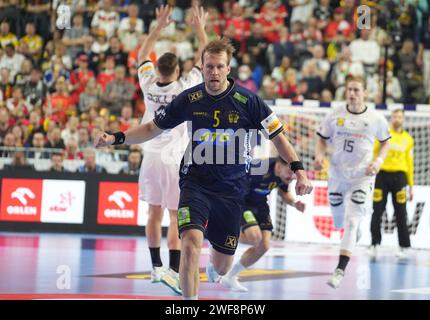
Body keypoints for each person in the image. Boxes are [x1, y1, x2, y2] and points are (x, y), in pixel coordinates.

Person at [94, 36, 313, 299]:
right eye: (209, 66)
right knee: (190, 243)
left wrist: (299, 170)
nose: (214, 72)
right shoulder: (190, 98)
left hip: (231, 190)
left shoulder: (248, 102)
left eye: (220, 66)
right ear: (202, 66)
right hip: (194, 184)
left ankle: (215, 263)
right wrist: (115, 137)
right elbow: (152, 128)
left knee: (222, 265)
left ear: (228, 68)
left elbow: (279, 137)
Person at [134, 5, 208, 295]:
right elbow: (205, 57)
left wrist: (159, 26)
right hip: (175, 158)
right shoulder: (186, 87)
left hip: (150, 155)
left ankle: (155, 268)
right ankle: (175, 272)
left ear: (158, 69)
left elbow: (142, 55)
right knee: (176, 216)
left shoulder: (148, 82)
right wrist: (199, 26)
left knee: (153, 214)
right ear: (177, 70)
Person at [314, 75, 391, 289]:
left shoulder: (376, 118)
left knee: (351, 220)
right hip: (337, 175)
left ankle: (339, 270)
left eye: (357, 90)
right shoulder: (335, 114)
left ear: (365, 93)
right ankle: (354, 232)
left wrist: (378, 161)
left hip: (362, 175)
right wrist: (319, 156)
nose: (353, 93)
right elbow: (320, 138)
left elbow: (385, 143)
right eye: (349, 89)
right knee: (339, 222)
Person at [220, 157, 306, 292]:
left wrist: (295, 204)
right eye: (290, 173)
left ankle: (230, 276)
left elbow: (284, 193)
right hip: (243, 202)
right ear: (279, 166)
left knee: (264, 246)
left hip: (261, 206)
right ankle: (220, 241)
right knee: (254, 237)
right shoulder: (258, 168)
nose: (293, 177)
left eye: (294, 174)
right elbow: (232, 181)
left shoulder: (284, 177)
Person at [370, 109, 414, 259]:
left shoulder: (408, 139)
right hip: (381, 176)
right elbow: (373, 153)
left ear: (403, 119)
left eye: (400, 117)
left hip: (400, 178)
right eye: (395, 116)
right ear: (391, 118)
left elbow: (410, 163)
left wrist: (411, 186)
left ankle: (404, 246)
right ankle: (374, 243)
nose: (397, 119)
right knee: (377, 210)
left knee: (401, 212)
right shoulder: (383, 135)